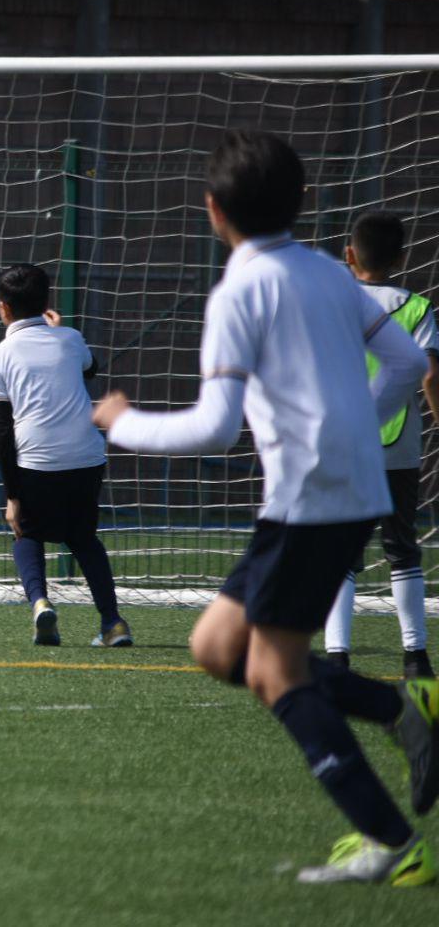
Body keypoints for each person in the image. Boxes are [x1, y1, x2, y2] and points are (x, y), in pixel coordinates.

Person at [92, 129, 437, 886]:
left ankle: (392, 841)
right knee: (219, 649)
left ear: (213, 210)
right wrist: (354, 423)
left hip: (313, 499)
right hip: (335, 493)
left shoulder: (240, 291)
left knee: (274, 674)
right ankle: (403, 711)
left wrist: (121, 422)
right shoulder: (327, 273)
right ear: (302, 202)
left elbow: (215, 428)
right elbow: (409, 362)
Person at [0, 263, 127, 647]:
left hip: (35, 462)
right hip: (87, 457)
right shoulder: (71, 338)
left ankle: (41, 603)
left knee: (27, 532)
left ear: (3, 308)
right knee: (83, 538)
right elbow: (91, 368)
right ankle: (113, 624)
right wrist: (58, 330)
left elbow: (2, 431)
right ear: (46, 302)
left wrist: (12, 496)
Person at [323, 210, 438, 679]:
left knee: (340, 552)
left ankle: (337, 655)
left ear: (349, 255)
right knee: (402, 548)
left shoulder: (330, 306)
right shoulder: (417, 307)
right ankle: (416, 656)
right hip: (398, 447)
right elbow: (429, 375)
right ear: (401, 258)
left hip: (341, 442)